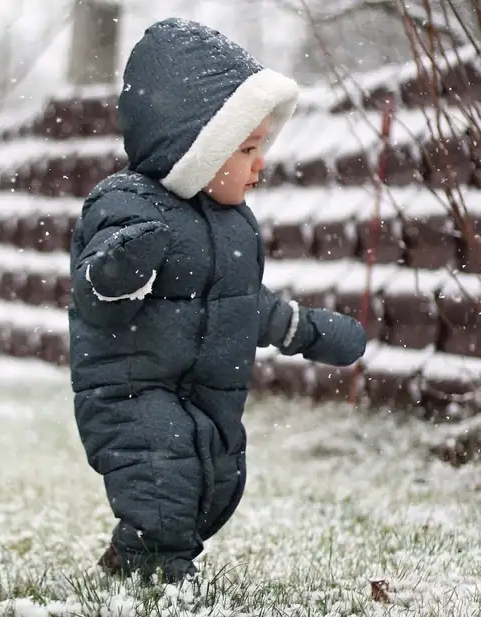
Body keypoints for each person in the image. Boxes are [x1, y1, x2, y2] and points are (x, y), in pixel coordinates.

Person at [67, 17, 367, 583]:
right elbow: (97, 297)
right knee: (163, 477)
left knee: (214, 479)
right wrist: (123, 265)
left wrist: (305, 329)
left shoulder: (233, 226)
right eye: (247, 147)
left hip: (204, 390)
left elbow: (239, 304)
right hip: (131, 388)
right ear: (196, 149)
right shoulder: (126, 206)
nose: (261, 163)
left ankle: (134, 555)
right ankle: (162, 573)